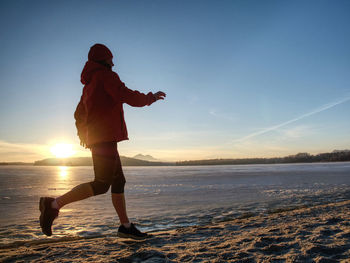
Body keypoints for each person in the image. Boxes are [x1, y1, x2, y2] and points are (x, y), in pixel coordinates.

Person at [39, 43, 166, 240]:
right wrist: (151, 98)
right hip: (105, 138)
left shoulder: (89, 85)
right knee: (101, 184)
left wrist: (83, 135)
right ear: (104, 59)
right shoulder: (106, 76)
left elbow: (78, 113)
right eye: (110, 58)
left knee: (118, 181)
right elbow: (125, 94)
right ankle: (53, 205)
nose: (113, 63)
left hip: (99, 138)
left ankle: (125, 226)